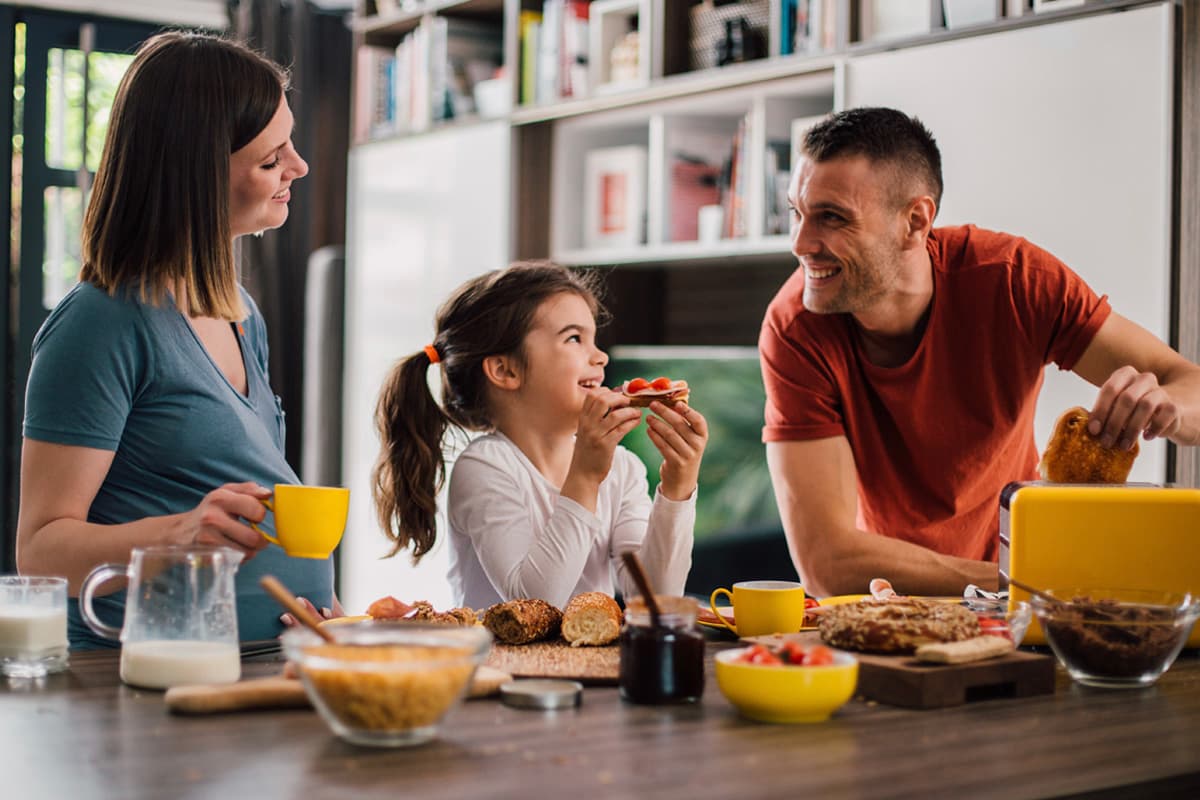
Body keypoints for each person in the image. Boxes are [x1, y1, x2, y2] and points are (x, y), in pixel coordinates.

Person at [760, 107, 1200, 598]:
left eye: (832, 218)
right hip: (891, 605)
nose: (800, 244)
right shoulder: (794, 328)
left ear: (915, 221)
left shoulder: (1014, 280)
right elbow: (827, 564)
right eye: (798, 213)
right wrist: (1037, 580)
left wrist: (1170, 409)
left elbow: (1187, 384)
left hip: (1021, 610)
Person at [16, 32, 336, 649]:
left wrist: (318, 610)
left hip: (263, 665)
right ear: (198, 171)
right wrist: (178, 534)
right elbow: (41, 551)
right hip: (139, 681)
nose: (298, 167)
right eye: (271, 159)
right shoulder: (101, 323)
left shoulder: (241, 314)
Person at [373, 262, 708, 609]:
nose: (601, 357)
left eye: (594, 339)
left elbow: (655, 599)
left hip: (591, 665)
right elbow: (534, 603)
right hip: (501, 664)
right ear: (506, 370)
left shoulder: (622, 468)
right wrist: (585, 476)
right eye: (575, 338)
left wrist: (676, 489)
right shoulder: (486, 467)